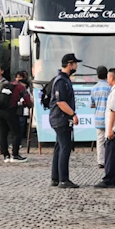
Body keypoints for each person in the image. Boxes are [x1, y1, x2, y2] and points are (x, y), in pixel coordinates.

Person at [50, 54, 81, 188]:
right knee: (65, 148)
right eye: (75, 63)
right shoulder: (62, 81)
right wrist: (73, 114)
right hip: (61, 119)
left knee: (59, 147)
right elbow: (61, 102)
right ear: (69, 64)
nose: (76, 66)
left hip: (59, 118)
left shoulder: (63, 79)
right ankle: (63, 179)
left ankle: (55, 178)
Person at [0, 76, 32, 163]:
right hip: (10, 112)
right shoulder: (21, 87)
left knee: (3, 133)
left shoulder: (7, 85)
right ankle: (15, 155)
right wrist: (30, 105)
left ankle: (6, 156)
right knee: (16, 132)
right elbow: (27, 101)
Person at [90, 66, 111, 169]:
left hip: (98, 118)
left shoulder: (94, 88)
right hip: (109, 118)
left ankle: (100, 161)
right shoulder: (110, 87)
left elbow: (92, 104)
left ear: (97, 75)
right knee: (110, 139)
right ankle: (109, 159)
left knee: (100, 140)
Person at [14, 71, 31, 152]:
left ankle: (18, 143)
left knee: (21, 127)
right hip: (16, 110)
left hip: (23, 110)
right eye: (17, 77)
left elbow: (29, 100)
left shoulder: (27, 89)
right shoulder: (14, 88)